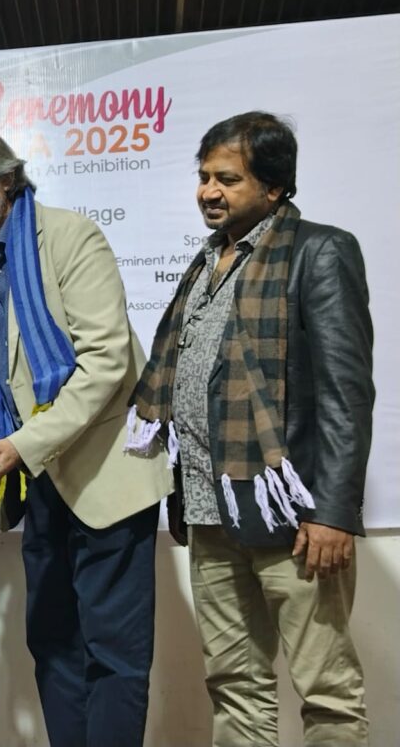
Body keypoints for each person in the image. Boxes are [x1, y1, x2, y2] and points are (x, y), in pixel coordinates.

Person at [0, 125, 172, 747]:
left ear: (6, 176)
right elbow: (5, 374)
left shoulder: (69, 237)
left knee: (114, 653)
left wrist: (22, 445)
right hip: (41, 484)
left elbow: (106, 361)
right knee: (52, 643)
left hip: (105, 478)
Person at [128, 111, 372, 746]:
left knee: (326, 691)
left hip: (294, 514)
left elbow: (346, 393)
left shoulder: (318, 250)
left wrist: (333, 512)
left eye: (227, 179)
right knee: (234, 684)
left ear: (274, 185)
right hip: (211, 509)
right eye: (204, 177)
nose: (209, 191)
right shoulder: (206, 262)